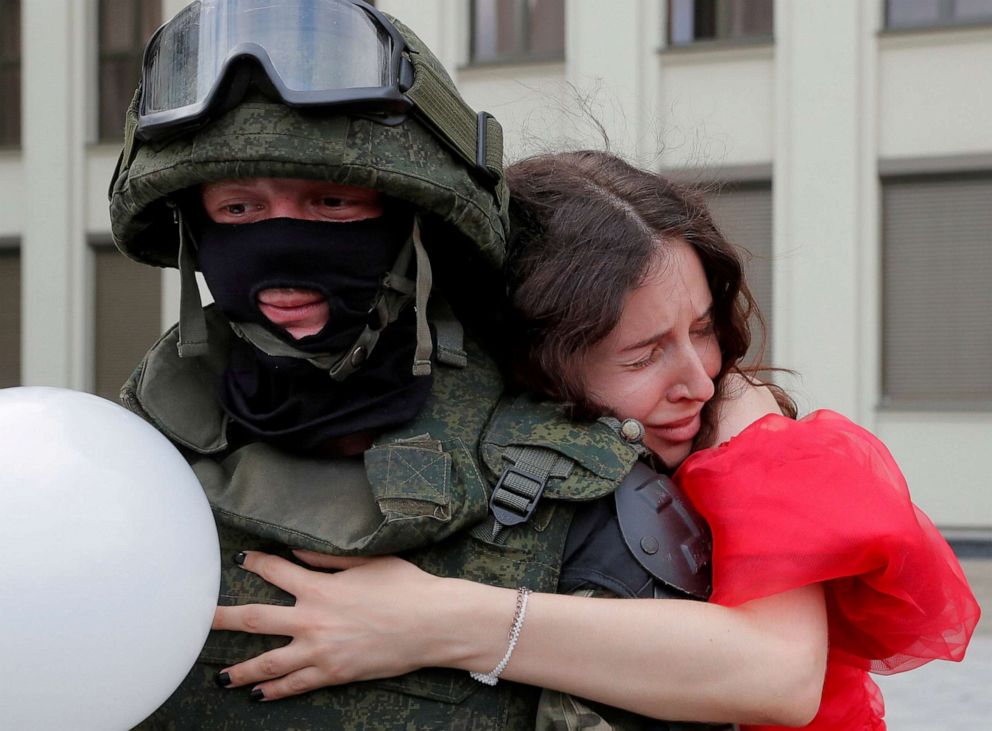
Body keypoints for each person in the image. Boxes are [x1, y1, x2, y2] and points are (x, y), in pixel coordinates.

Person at [109, 2, 821, 729]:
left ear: (416, 221)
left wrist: (451, 622)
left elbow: (776, 673)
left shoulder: (590, 485)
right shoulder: (113, 465)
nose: (699, 383)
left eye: (331, 201)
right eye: (238, 209)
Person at [203, 149, 980, 730]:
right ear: (532, 367)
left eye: (703, 329)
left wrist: (436, 620)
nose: (700, 379)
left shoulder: (742, 431)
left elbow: (780, 673)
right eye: (643, 355)